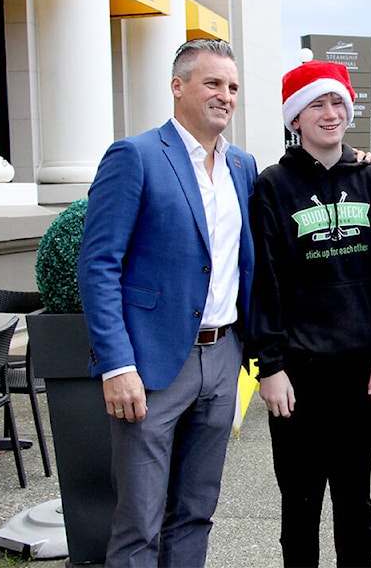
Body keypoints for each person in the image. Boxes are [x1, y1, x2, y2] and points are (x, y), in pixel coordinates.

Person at [77, 39, 258, 567]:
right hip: (152, 366)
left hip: (224, 360)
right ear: (177, 86)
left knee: (197, 511)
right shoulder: (134, 156)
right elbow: (98, 266)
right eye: (212, 83)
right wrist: (117, 365)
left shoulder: (241, 166)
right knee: (139, 521)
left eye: (232, 87)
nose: (225, 96)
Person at [247, 60, 371, 567]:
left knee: (354, 500)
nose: (331, 113)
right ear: (295, 118)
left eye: (338, 102)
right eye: (317, 104)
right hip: (296, 374)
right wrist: (268, 367)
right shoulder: (272, 186)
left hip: (362, 370)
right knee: (300, 503)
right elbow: (263, 281)